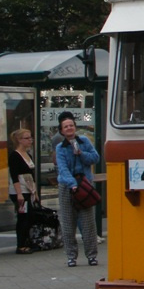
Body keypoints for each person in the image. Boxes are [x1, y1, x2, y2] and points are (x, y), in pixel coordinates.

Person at [54, 111, 100, 267]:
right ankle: (71, 256)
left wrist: (81, 153)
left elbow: (95, 158)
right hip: (68, 187)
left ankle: (92, 255)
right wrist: (72, 183)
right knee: (68, 223)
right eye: (65, 126)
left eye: (71, 125)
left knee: (88, 223)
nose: (69, 128)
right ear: (61, 130)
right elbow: (62, 168)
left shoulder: (84, 141)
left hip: (85, 185)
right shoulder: (60, 147)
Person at [8, 128, 38, 254]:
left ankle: (28, 241)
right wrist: (19, 193)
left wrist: (35, 193)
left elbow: (31, 174)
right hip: (20, 189)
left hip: (29, 188)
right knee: (23, 217)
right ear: (19, 140)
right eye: (27, 138)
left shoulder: (28, 155)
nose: (30, 140)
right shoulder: (15, 156)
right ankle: (20, 244)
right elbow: (14, 175)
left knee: (30, 216)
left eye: (30, 137)